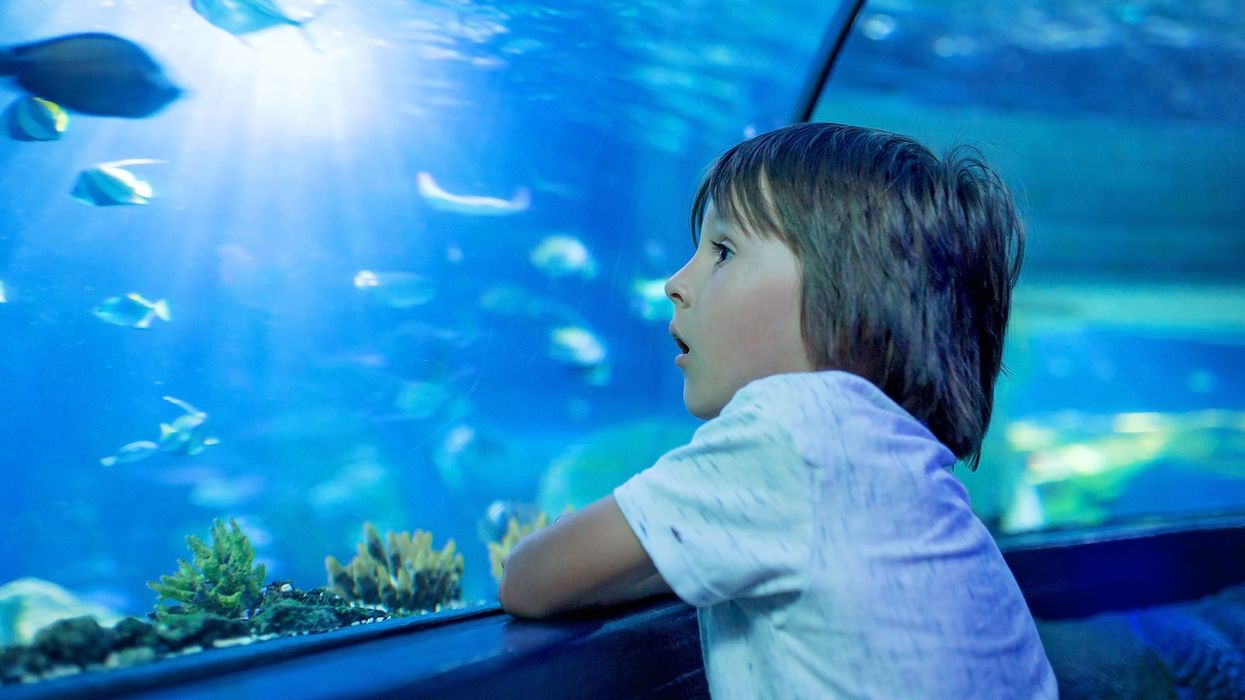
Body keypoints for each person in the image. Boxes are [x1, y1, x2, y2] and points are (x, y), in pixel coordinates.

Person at [499, 122, 1057, 698]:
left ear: (847, 299)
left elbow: (531, 580)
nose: (674, 283)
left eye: (723, 251)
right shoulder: (905, 474)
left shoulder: (797, 425)